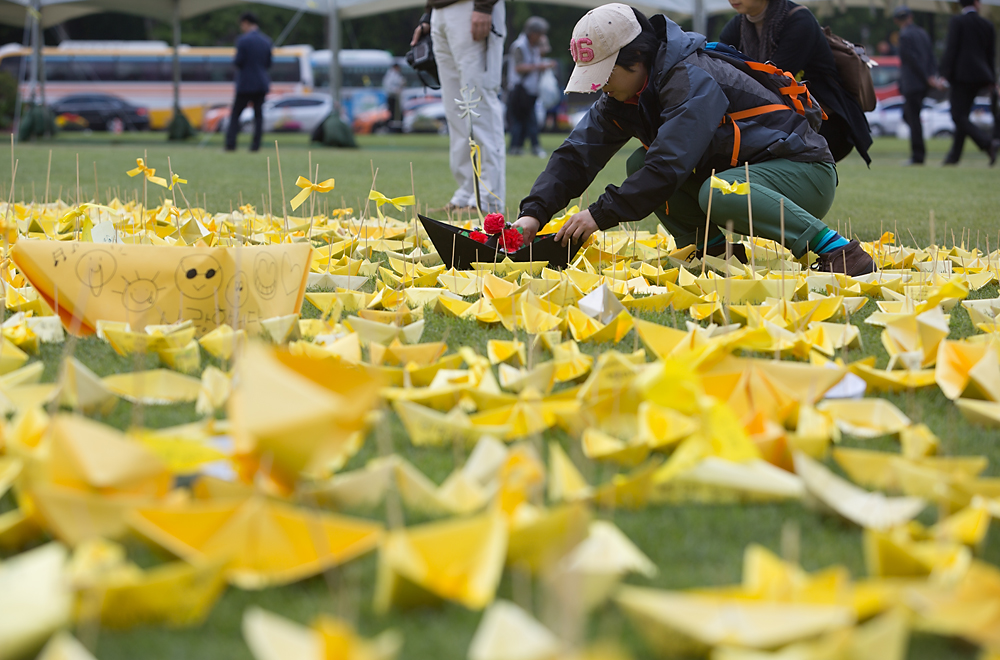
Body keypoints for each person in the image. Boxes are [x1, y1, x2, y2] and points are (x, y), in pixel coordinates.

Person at [513, 3, 876, 277]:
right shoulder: (624, 95)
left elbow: (669, 163)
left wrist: (598, 214)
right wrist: (534, 213)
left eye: (605, 73)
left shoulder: (690, 77)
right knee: (639, 163)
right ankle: (714, 255)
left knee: (717, 191)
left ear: (637, 57)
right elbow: (577, 153)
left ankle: (839, 251)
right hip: (745, 175)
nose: (599, 85)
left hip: (804, 172)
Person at [718, 0, 872, 165]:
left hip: (822, 120)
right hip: (778, 117)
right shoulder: (737, 26)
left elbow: (772, 78)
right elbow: (721, 71)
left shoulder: (800, 21)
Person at [411, 0, 506, 214]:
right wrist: (429, 15)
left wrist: (483, 6)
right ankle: (466, 193)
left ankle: (487, 198)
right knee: (455, 110)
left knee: (479, 106)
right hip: (440, 11)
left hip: (472, 7)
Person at [940, 0, 998, 166]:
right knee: (962, 116)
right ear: (977, 3)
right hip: (981, 76)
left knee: (957, 116)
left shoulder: (957, 22)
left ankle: (987, 143)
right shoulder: (987, 25)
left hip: (961, 76)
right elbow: (991, 55)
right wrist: (992, 79)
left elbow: (952, 49)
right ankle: (954, 157)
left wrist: (944, 74)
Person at [894, 6, 940, 165]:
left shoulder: (904, 35)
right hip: (923, 83)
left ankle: (918, 155)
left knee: (912, 118)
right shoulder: (922, 33)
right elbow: (931, 56)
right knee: (910, 116)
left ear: (897, 20)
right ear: (911, 17)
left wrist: (925, 76)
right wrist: (931, 76)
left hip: (913, 83)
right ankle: (919, 149)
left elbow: (912, 61)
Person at [507, 16, 555, 157]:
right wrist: (539, 66)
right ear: (532, 33)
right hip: (519, 89)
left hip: (530, 90)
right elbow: (518, 68)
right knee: (521, 120)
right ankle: (520, 147)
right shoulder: (519, 46)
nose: (541, 37)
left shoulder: (534, 46)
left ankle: (521, 147)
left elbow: (546, 49)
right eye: (540, 34)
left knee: (528, 120)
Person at [225, 11, 272, 153]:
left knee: (235, 115)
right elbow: (268, 63)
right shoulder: (266, 40)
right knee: (258, 117)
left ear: (245, 23)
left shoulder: (243, 40)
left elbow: (238, 62)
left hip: (245, 84)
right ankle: (255, 146)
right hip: (261, 83)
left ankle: (231, 144)